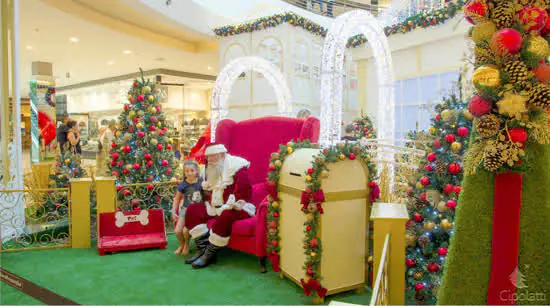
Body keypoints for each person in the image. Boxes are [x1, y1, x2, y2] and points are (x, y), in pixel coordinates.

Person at [184, 143, 255, 269]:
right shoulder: (208, 169)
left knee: (225, 215)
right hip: (215, 206)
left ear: (222, 154)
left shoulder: (238, 166)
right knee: (192, 210)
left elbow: (244, 192)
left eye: (213, 156)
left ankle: (209, 254)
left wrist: (228, 206)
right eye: (208, 157)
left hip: (237, 206)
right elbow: (208, 190)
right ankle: (202, 248)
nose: (210, 160)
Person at [172, 160, 203, 256]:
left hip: (197, 211)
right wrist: (173, 212)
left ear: (197, 171)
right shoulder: (183, 185)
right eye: (187, 171)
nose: (190, 173)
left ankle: (186, 245)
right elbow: (176, 199)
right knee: (177, 231)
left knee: (186, 231)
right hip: (185, 210)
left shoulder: (201, 183)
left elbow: (207, 196)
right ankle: (181, 244)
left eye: (192, 170)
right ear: (184, 173)